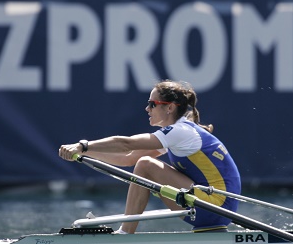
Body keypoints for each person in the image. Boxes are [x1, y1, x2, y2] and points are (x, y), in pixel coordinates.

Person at [58, 80, 241, 234]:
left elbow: (126, 144)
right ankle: (126, 231)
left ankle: (125, 232)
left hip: (216, 206)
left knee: (145, 164)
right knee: (142, 164)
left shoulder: (181, 132)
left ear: (169, 107)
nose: (147, 108)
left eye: (152, 104)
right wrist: (85, 153)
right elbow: (128, 159)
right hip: (214, 208)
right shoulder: (177, 135)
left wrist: (83, 145)